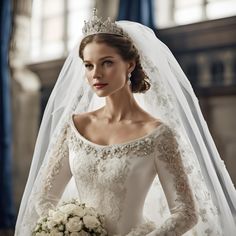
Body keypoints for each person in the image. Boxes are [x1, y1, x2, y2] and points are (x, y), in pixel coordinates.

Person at [15, 9, 236, 235]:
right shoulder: (74, 127)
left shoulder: (157, 134)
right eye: (89, 65)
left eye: (107, 63)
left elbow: (186, 213)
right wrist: (65, 229)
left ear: (130, 64)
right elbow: (44, 199)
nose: (96, 74)